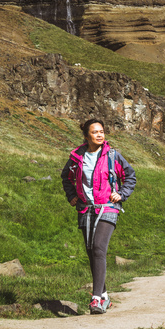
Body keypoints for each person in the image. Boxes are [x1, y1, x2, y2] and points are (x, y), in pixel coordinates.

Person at [61, 118, 136, 314]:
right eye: (95, 132)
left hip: (108, 207)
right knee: (90, 251)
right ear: (86, 136)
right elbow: (66, 177)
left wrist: (122, 194)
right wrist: (71, 196)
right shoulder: (77, 156)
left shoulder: (112, 155)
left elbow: (130, 175)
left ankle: (95, 299)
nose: (100, 135)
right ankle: (104, 296)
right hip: (86, 208)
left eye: (102, 131)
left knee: (99, 248)